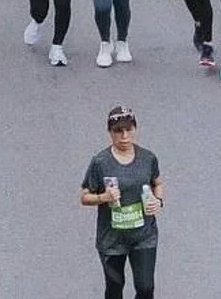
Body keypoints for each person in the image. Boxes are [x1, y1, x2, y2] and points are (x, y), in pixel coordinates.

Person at [79, 107, 162, 299]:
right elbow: (84, 196)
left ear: (135, 129)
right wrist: (103, 198)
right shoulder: (100, 162)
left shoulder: (148, 158)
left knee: (146, 288)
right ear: (110, 132)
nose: (124, 136)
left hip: (144, 235)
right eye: (118, 131)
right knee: (115, 288)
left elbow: (158, 182)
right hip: (112, 240)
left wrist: (158, 201)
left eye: (129, 130)